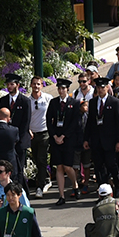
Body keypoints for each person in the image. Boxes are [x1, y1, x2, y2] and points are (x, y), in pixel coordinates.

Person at [48, 77, 83, 205]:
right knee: (59, 166)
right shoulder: (53, 103)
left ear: (67, 89)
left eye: (63, 88)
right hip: (56, 138)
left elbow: (75, 122)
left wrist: (64, 136)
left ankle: (75, 185)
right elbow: (49, 120)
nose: (61, 90)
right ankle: (61, 195)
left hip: (68, 139)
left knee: (68, 167)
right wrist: (55, 136)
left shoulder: (74, 103)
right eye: (59, 88)